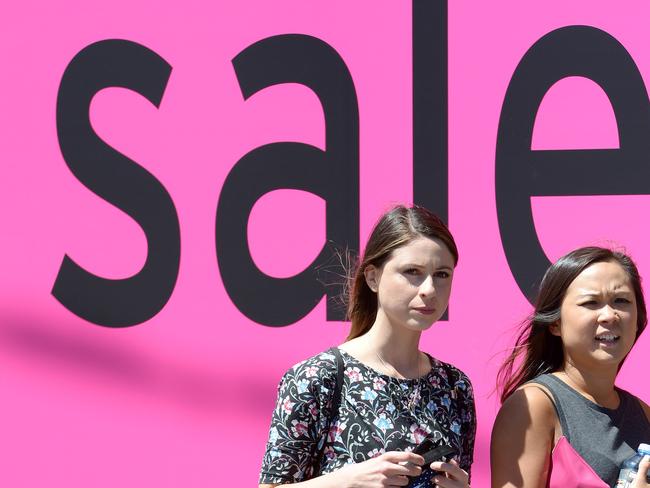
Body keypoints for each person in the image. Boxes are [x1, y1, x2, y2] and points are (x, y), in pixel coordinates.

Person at [259, 205, 476, 487]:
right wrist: (348, 481)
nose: (429, 290)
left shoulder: (455, 387)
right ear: (372, 277)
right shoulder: (317, 377)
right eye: (412, 271)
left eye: (442, 274)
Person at [491, 247, 650, 488]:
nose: (609, 315)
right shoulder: (533, 406)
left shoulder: (644, 414)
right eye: (591, 302)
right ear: (555, 322)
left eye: (621, 301)